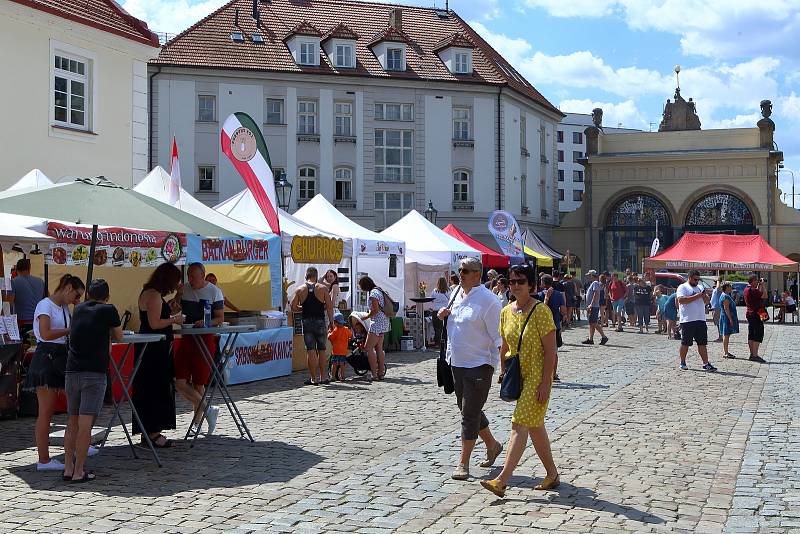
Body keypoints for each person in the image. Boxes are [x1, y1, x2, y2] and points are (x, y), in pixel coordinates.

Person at [480, 264, 559, 497]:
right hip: (518, 375)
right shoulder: (506, 311)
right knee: (534, 426)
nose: (515, 285)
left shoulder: (541, 312)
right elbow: (505, 344)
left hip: (537, 376)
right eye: (512, 281)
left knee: (518, 423)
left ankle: (502, 480)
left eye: (520, 281)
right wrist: (503, 370)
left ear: (531, 285)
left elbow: (551, 351)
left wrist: (546, 382)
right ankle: (552, 474)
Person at [437, 257, 503, 481]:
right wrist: (443, 315)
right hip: (456, 362)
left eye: (465, 271)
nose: (461, 274)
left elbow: (499, 338)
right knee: (466, 408)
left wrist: (504, 367)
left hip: (480, 363)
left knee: (469, 413)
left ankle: (463, 462)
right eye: (460, 270)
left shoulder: (490, 301)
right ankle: (493, 445)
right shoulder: (456, 293)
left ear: (478, 274)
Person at [62, 280, 123, 482]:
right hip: (94, 373)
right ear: (107, 296)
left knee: (72, 422)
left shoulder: (78, 309)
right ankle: (80, 470)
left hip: (72, 371)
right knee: (85, 423)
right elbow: (120, 336)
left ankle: (68, 468)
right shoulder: (109, 310)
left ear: (88, 293)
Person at [24, 274, 85, 471]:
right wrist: (69, 330)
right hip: (47, 358)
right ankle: (43, 459)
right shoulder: (45, 305)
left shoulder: (65, 308)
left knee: (75, 406)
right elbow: (45, 333)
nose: (77, 301)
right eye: (76, 295)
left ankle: (78, 445)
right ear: (67, 288)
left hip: (62, 358)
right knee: (46, 412)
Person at [135, 262, 183, 448]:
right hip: (153, 350)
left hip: (152, 348)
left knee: (150, 388)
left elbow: (163, 313)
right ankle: (153, 432)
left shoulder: (151, 293)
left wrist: (174, 307)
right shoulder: (153, 295)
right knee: (155, 388)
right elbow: (155, 323)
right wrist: (175, 319)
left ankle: (148, 431)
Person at [175, 262, 224, 433]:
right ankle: (209, 409)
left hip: (204, 340)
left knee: (199, 383)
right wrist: (177, 295)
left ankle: (197, 423)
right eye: (188, 276)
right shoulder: (186, 289)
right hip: (187, 338)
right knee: (179, 381)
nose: (190, 280)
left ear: (202, 276)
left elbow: (219, 318)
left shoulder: (214, 291)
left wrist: (206, 322)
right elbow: (174, 309)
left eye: (193, 277)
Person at [291, 267, 335, 385]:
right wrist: (331, 322)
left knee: (310, 350)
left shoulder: (299, 289)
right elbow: (330, 307)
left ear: (306, 275)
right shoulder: (323, 288)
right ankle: (323, 377)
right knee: (321, 350)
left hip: (307, 322)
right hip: (320, 321)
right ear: (316, 275)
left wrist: (303, 307)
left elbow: (293, 306)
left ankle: (313, 378)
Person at [676, 270, 717, 372]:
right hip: (688, 320)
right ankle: (682, 362)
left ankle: (706, 363)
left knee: (702, 343)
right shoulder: (683, 287)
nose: (697, 281)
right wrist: (697, 296)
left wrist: (704, 296)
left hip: (700, 319)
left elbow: (707, 301)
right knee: (685, 343)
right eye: (695, 279)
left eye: (698, 280)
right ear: (689, 278)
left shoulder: (700, 287)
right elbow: (681, 300)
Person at [359, 276, 391, 381]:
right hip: (384, 322)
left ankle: (374, 373)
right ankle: (381, 372)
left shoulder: (373, 294)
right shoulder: (379, 290)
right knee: (379, 349)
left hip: (376, 323)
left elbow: (375, 310)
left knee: (368, 348)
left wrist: (366, 317)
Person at [537, 274, 566, 381]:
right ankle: (553, 374)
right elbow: (563, 310)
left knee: (542, 351)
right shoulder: (558, 294)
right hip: (555, 325)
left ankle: (543, 373)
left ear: (543, 283)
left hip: (542, 326)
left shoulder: (539, 295)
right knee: (554, 351)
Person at [10, 258, 45, 339]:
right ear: (29, 268)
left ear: (17, 269)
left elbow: (9, 304)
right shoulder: (40, 281)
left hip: (22, 323)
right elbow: (47, 300)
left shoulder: (13, 282)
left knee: (24, 348)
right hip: (39, 322)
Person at [743, 275, 767, 363]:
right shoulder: (753, 290)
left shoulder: (746, 289)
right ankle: (755, 355)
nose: (758, 282)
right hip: (757, 313)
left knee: (751, 334)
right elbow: (764, 296)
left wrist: (759, 286)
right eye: (757, 281)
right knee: (758, 333)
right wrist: (763, 286)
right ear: (753, 281)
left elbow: (758, 295)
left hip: (750, 313)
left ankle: (752, 353)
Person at [582, 271, 608, 345]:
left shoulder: (595, 283)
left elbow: (596, 293)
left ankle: (604, 337)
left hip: (593, 306)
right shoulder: (594, 283)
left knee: (594, 323)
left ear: (592, 275)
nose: (588, 277)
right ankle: (591, 339)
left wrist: (591, 304)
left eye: (589, 275)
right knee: (591, 323)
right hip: (592, 306)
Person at [327, 312, 350, 381]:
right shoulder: (346, 329)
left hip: (336, 351)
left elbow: (330, 337)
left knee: (334, 364)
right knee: (342, 364)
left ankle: (333, 377)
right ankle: (342, 377)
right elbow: (350, 335)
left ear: (335, 322)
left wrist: (329, 332)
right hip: (343, 351)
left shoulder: (336, 330)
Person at [719, 283, 739, 359]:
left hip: (725, 316)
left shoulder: (724, 295)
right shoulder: (725, 296)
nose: (731, 288)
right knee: (726, 334)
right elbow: (726, 308)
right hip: (726, 317)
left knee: (726, 334)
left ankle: (726, 352)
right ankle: (726, 352)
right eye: (730, 286)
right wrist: (730, 319)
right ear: (726, 287)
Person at [430, 277, 452, 345]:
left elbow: (432, 300)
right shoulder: (449, 290)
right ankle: (445, 342)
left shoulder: (435, 291)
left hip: (436, 311)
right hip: (446, 311)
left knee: (437, 328)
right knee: (446, 327)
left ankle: (438, 343)